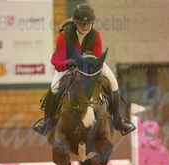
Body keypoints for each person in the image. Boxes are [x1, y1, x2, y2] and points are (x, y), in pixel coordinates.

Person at [32, 3, 135, 136]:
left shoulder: (95, 35)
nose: (85, 27)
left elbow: (98, 58)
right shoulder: (64, 35)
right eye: (81, 24)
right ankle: (47, 121)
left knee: (113, 81)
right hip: (68, 66)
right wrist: (68, 63)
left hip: (91, 67)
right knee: (54, 87)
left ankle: (118, 119)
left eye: (88, 24)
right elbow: (57, 61)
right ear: (75, 22)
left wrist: (90, 67)